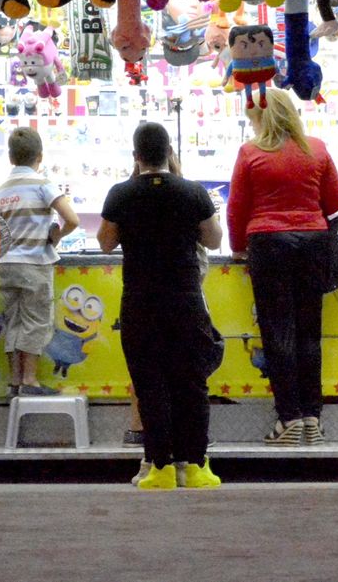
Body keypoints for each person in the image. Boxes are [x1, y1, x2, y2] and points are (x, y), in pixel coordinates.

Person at [100, 122, 225, 490]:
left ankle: (161, 467)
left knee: (149, 383)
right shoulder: (193, 192)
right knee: (191, 382)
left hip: (140, 301)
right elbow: (215, 239)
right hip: (185, 299)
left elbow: (106, 242)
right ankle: (197, 466)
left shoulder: (120, 194)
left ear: (136, 156)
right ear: (169, 152)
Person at [226, 87, 338, 445]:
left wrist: (237, 248)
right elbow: (337, 203)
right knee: (310, 331)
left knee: (278, 332)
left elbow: (237, 208)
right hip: (313, 241)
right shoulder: (318, 149)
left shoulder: (250, 153)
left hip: (268, 243)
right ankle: (313, 416)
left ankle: (289, 418)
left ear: (260, 118)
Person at [0, 127, 81, 396]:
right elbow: (73, 220)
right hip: (35, 263)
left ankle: (14, 381)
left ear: (10, 158)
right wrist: (56, 236)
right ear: (39, 156)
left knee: (14, 320)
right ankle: (30, 380)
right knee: (36, 321)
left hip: (7, 263)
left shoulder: (1, 190)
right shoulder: (43, 185)